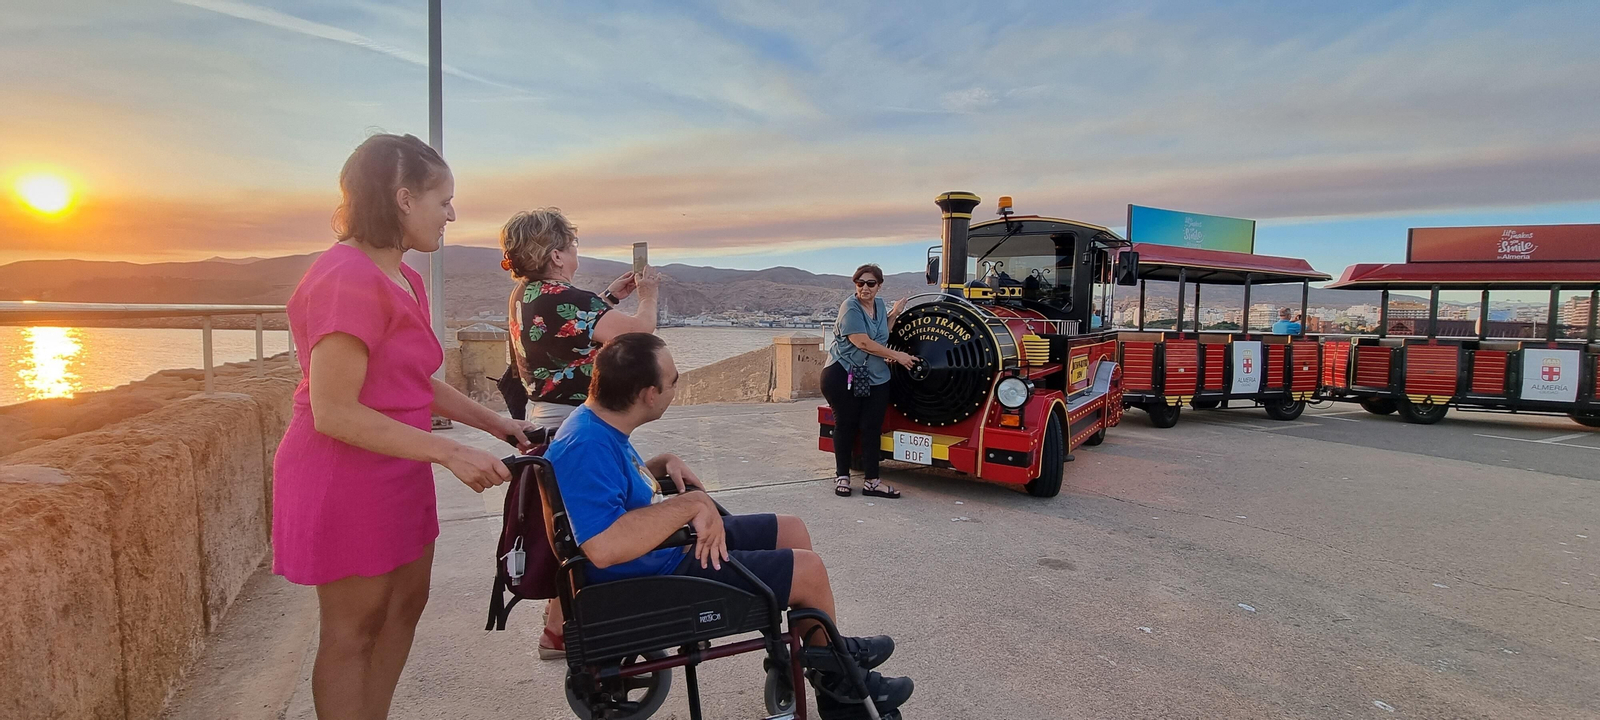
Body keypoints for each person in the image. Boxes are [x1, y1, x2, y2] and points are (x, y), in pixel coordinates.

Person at [273, 133, 538, 719]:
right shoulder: (345, 277)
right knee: (352, 630)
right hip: (344, 474)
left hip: (398, 464)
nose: (451, 214)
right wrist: (447, 454)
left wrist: (494, 423)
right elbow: (334, 410)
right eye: (443, 200)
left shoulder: (404, 278)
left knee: (403, 608)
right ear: (402, 199)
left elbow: (410, 378)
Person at [545, 333, 913, 716]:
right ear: (648, 395)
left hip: (661, 551)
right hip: (649, 576)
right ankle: (842, 691)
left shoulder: (598, 425)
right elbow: (604, 546)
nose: (676, 385)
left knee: (792, 530)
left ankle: (820, 656)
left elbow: (613, 491)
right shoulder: (586, 445)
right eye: (672, 380)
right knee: (809, 571)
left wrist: (658, 464)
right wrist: (690, 504)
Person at [498, 207, 661, 658]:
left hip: (546, 421)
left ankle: (556, 631)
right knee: (600, 531)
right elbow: (638, 336)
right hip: (579, 427)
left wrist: (608, 297)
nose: (575, 252)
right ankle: (586, 630)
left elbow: (566, 336)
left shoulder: (525, 294)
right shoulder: (559, 295)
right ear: (555, 254)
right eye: (570, 245)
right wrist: (647, 295)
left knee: (568, 532)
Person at [822, 264, 917, 499]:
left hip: (875, 376)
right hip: (843, 373)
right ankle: (842, 476)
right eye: (860, 283)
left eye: (870, 283)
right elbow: (862, 342)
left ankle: (872, 482)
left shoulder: (879, 305)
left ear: (879, 286)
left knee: (871, 427)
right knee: (845, 424)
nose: (865, 287)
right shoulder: (850, 307)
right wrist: (898, 356)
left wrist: (894, 312)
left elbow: (881, 333)